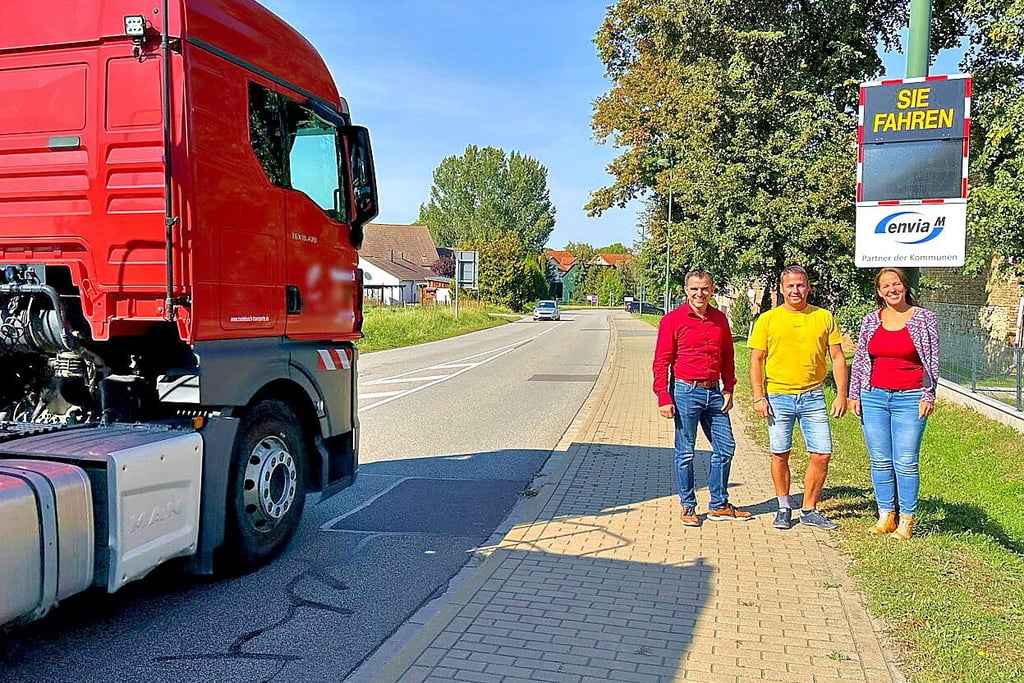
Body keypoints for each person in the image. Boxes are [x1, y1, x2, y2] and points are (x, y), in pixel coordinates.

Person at [749, 265, 848, 531]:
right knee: (780, 453)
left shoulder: (823, 317)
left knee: (823, 454)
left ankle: (809, 509)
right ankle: (783, 506)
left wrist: (842, 395)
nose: (796, 290)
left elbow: (838, 357)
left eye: (800, 284)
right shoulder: (768, 319)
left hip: (813, 396)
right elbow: (756, 360)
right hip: (778, 396)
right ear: (782, 289)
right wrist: (759, 397)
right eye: (790, 285)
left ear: (808, 287)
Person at [653, 269, 753, 527]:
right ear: (686, 291)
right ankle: (688, 506)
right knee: (685, 452)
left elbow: (728, 356)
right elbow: (661, 362)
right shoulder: (672, 321)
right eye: (695, 289)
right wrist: (664, 396)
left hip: (715, 393)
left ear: (712, 289)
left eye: (705, 288)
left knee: (726, 447)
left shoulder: (720, 319)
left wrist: (729, 387)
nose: (700, 293)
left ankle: (718, 504)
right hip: (685, 391)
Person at [848, 267, 939, 541]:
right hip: (873, 396)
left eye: (896, 284)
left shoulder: (924, 319)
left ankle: (907, 518)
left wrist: (928, 394)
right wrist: (855, 394)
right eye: (885, 286)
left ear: (905, 285)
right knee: (880, 460)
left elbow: (932, 361)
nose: (892, 290)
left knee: (906, 461)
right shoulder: (870, 321)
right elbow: (862, 360)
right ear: (879, 291)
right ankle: (886, 514)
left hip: (910, 397)